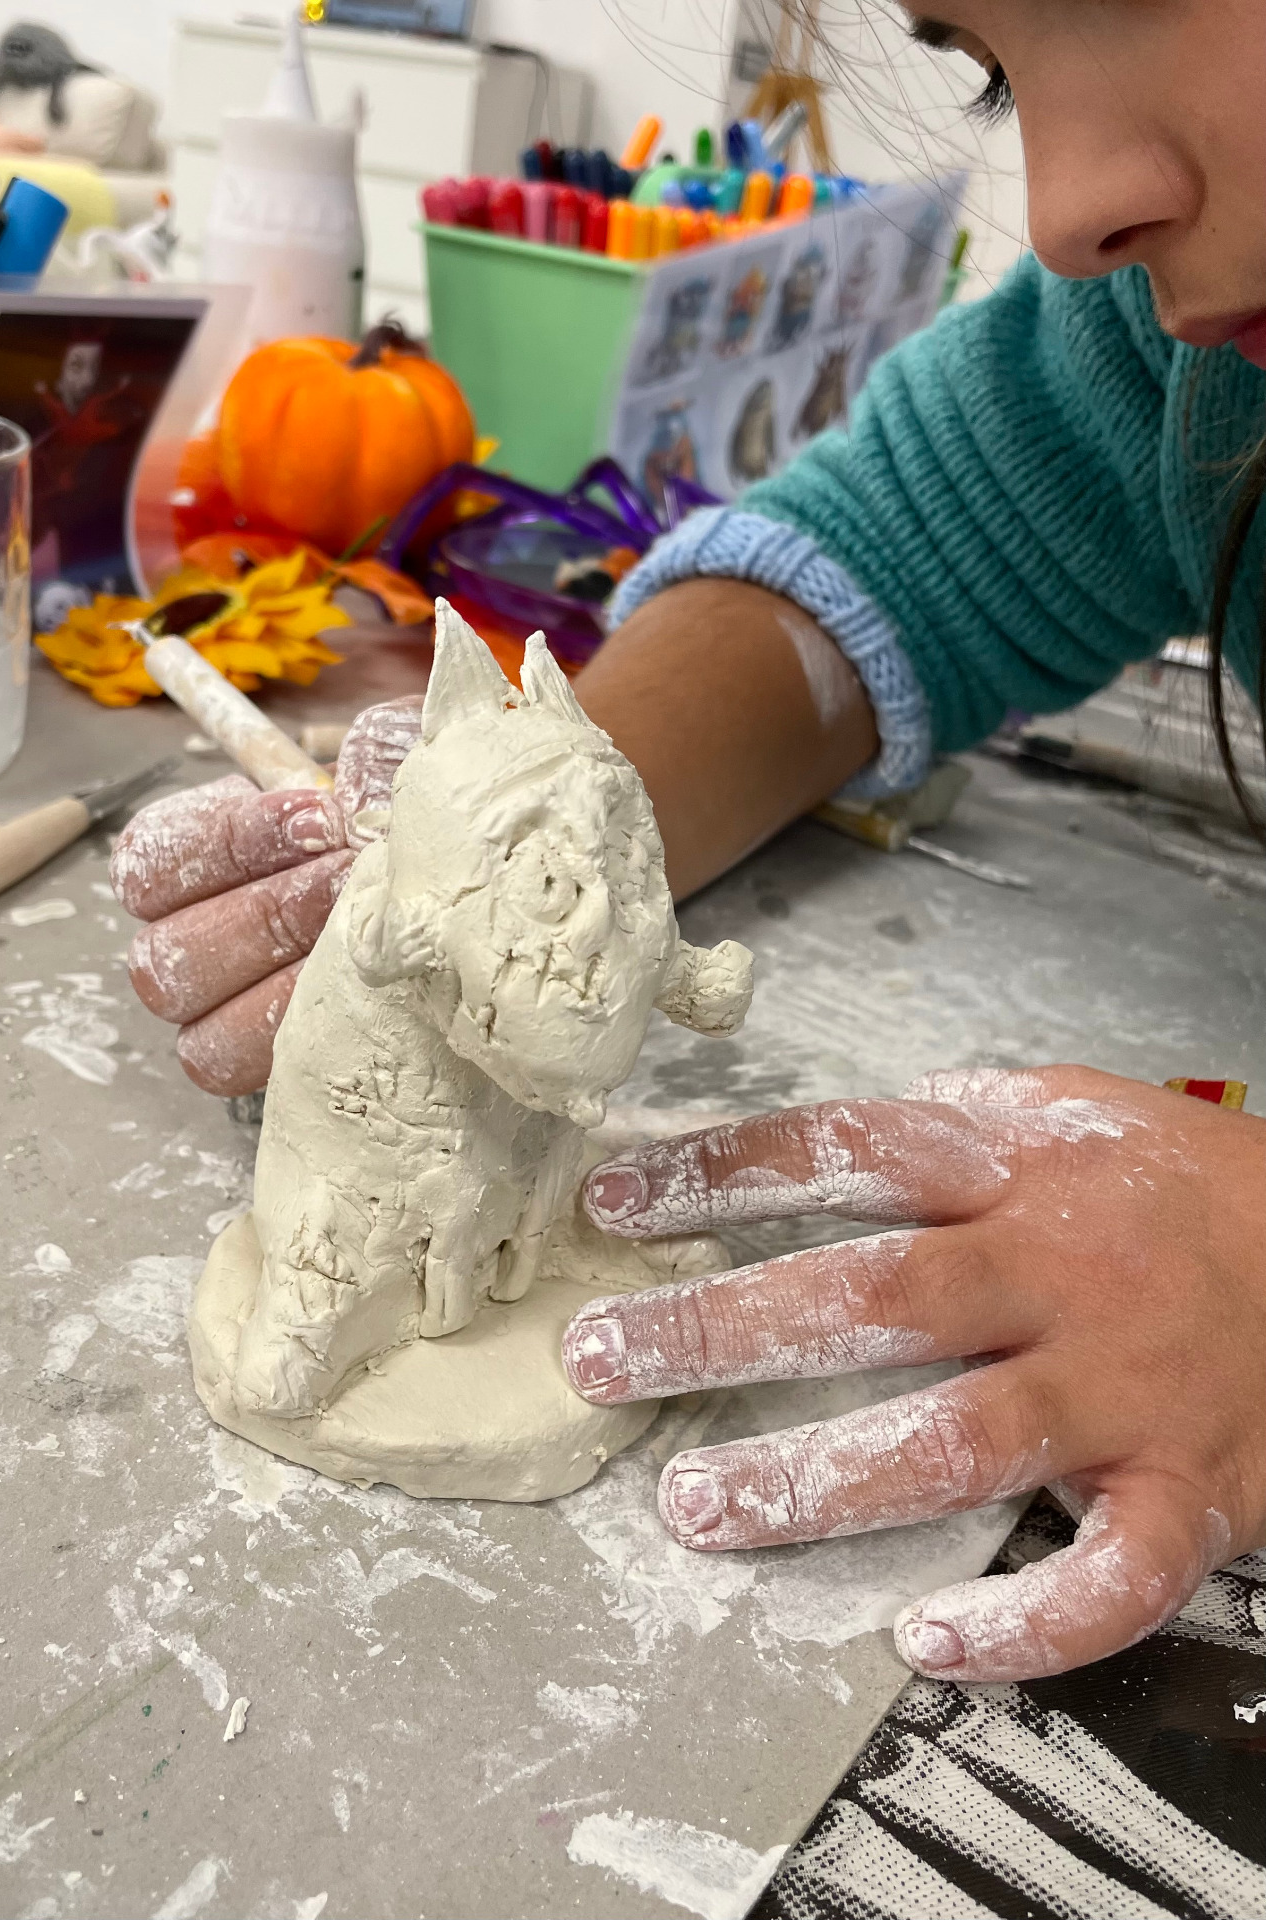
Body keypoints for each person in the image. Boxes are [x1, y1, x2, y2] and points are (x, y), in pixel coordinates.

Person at [110, 0, 1266, 1686]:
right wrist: (533, 822)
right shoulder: (1186, 357)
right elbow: (890, 562)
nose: (1069, 200)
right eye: (991, 72)